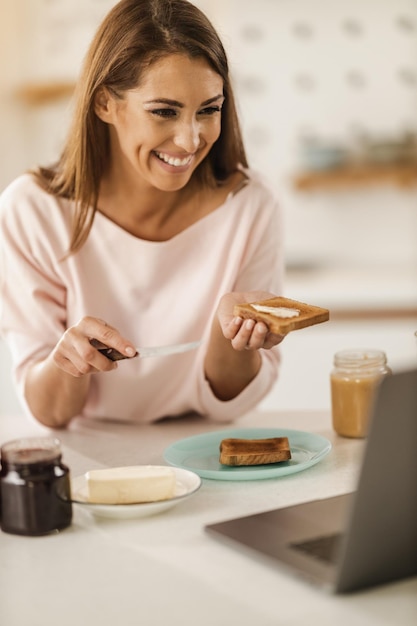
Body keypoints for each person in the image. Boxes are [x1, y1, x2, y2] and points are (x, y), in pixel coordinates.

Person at [0, 0, 284, 428]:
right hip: (92, 464)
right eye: (164, 111)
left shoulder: (251, 207)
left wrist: (235, 339)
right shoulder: (33, 211)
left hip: (207, 456)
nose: (189, 140)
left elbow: (231, 398)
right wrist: (67, 361)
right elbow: (49, 412)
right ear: (104, 104)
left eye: (208, 109)